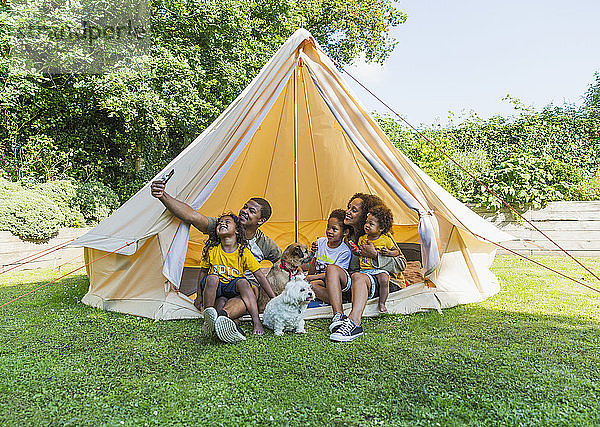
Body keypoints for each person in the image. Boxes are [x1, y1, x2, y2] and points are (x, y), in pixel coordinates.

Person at [150, 180, 282, 343]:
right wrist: (163, 195)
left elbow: (285, 262)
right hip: (221, 282)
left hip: (245, 286)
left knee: (247, 289)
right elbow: (192, 216)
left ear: (260, 220)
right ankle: (227, 323)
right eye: (245, 206)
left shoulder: (266, 244)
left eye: (251, 210)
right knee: (220, 298)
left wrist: (302, 271)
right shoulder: (225, 226)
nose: (244, 211)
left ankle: (220, 318)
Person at [318, 193, 406, 342]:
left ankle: (354, 323)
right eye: (349, 208)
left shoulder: (381, 236)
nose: (348, 212)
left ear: (366, 215)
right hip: (359, 280)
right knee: (331, 270)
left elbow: (402, 263)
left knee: (358, 277)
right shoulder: (348, 237)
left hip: (384, 281)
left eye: (354, 210)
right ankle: (338, 316)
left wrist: (376, 256)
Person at [199, 213, 275, 340]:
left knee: (243, 283)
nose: (222, 223)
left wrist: (273, 297)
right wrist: (199, 297)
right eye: (220, 222)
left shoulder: (243, 251)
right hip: (216, 290)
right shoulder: (212, 250)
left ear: (237, 231)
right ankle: (209, 319)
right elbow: (202, 272)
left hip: (232, 289)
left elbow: (259, 276)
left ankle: (255, 322)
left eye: (227, 222)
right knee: (212, 279)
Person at [356, 205, 400, 314]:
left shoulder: (385, 239)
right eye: (366, 222)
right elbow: (359, 253)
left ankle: (382, 302)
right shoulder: (362, 239)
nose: (366, 226)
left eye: (371, 224)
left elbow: (397, 252)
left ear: (380, 228)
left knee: (384, 279)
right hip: (365, 270)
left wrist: (388, 253)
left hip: (378, 269)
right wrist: (355, 251)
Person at [305, 209, 352, 301]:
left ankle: (338, 299)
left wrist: (312, 278)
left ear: (345, 232)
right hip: (319, 280)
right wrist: (309, 276)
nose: (329, 231)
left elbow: (336, 276)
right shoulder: (320, 242)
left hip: (332, 283)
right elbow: (313, 265)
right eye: (328, 227)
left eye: (334, 229)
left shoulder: (344, 251)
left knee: (312, 286)